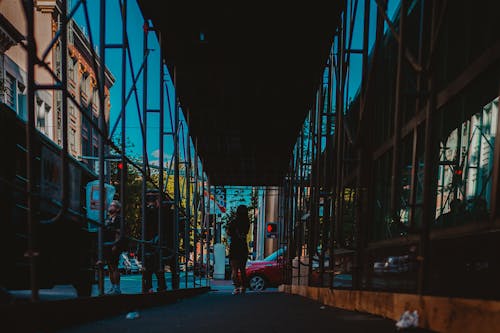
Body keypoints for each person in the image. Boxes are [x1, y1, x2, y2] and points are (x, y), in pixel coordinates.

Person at [141, 190, 167, 293]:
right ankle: (155, 286)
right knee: (152, 265)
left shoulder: (158, 212)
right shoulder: (150, 211)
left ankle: (154, 286)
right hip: (151, 239)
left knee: (154, 265)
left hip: (154, 239)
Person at [103, 200, 126, 295]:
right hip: (107, 244)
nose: (110, 207)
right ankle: (113, 286)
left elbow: (118, 232)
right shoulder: (108, 218)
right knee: (110, 267)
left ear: (117, 209)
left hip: (114, 245)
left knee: (114, 266)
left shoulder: (119, 219)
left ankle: (117, 287)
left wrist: (115, 244)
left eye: (112, 205)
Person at [227, 204, 250, 295]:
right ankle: (243, 287)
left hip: (234, 247)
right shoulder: (246, 223)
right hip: (243, 248)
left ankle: (236, 288)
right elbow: (245, 233)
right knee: (242, 269)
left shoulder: (233, 222)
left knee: (234, 269)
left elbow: (228, 233)